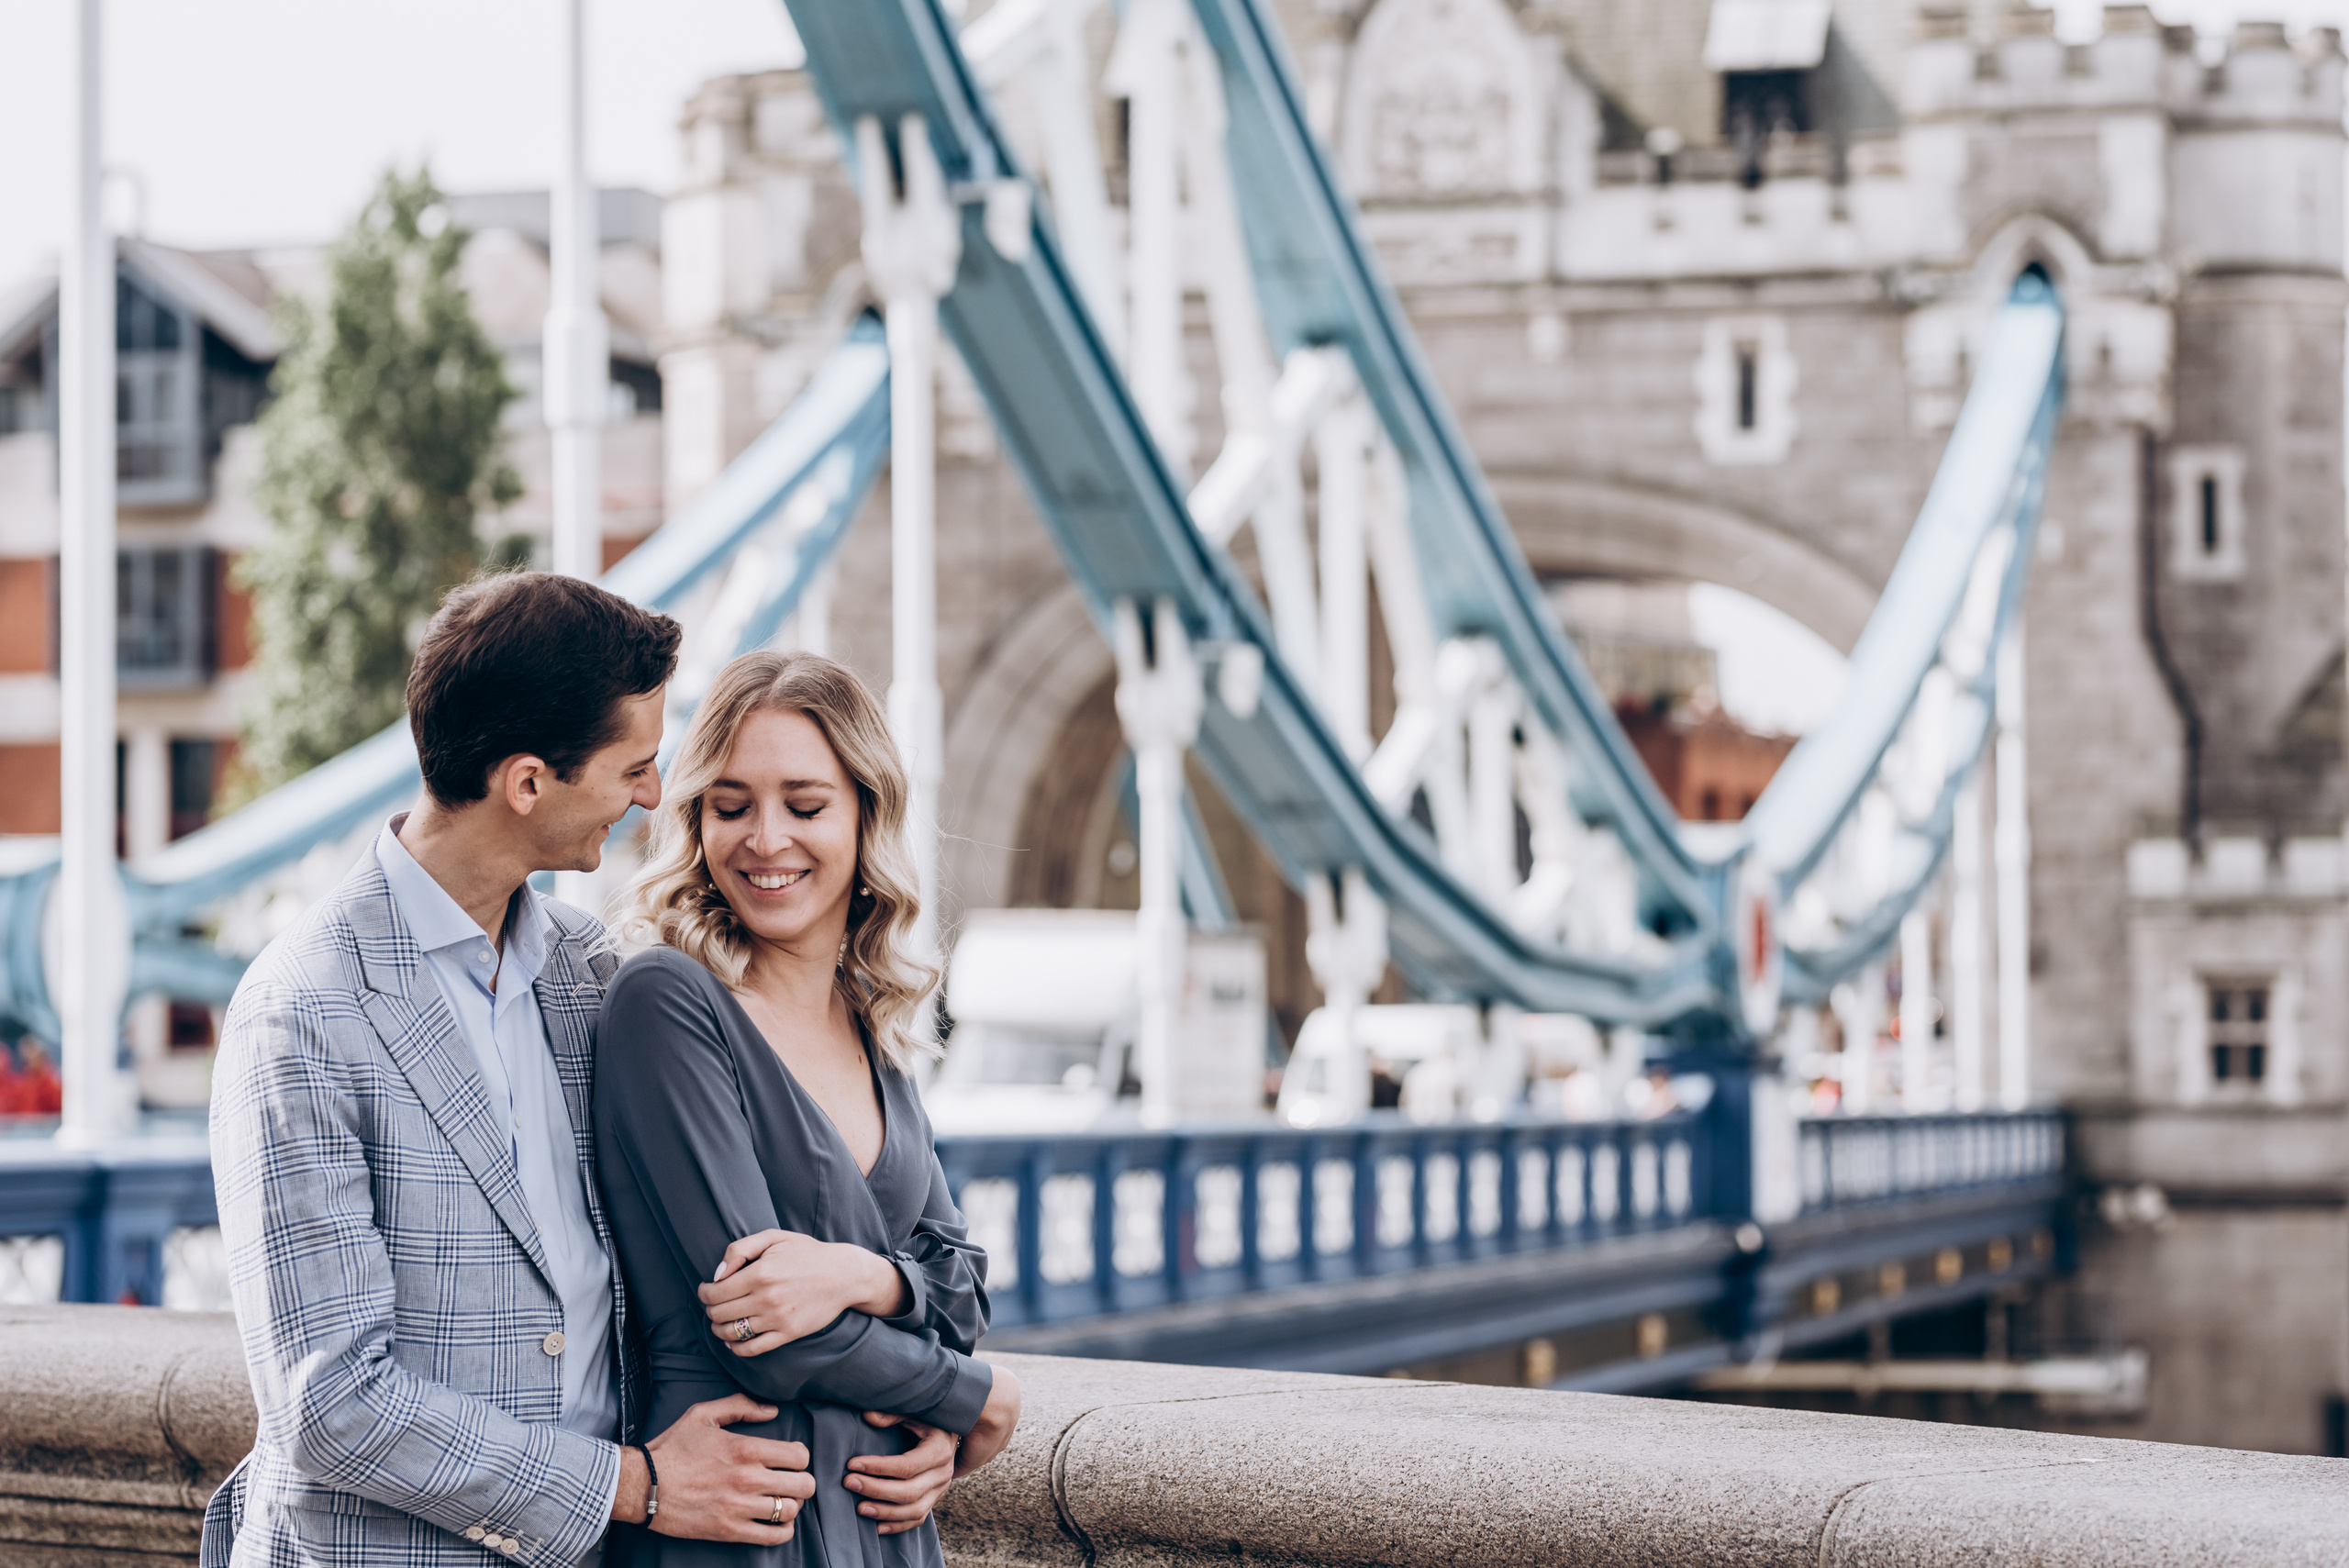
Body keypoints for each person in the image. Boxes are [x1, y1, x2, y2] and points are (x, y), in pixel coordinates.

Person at [204, 573, 912, 1567]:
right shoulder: (303, 1008)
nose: (653, 795)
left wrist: (922, 1384)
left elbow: (805, 1219)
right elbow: (329, 1402)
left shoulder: (594, 979)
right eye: (632, 764)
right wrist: (639, 1483)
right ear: (528, 782)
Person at [596, 651, 1022, 1568]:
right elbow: (759, 1333)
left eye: (805, 802)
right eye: (731, 803)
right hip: (741, 1523)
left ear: (866, 813)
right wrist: (971, 1397)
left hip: (886, 1525)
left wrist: (865, 1278)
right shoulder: (667, 1000)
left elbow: (962, 1288)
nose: (765, 837)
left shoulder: (871, 1025)